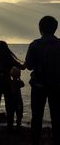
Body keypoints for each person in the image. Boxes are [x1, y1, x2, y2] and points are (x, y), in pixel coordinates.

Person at [25, 16, 60, 145]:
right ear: (55, 29)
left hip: (39, 85)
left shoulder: (35, 45)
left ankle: (35, 140)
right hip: (57, 86)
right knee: (57, 116)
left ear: (40, 29)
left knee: (37, 116)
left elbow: (28, 66)